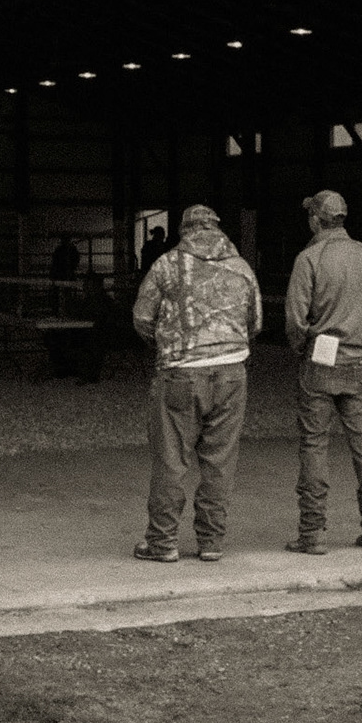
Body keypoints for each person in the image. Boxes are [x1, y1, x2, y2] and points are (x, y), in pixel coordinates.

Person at [130, 204, 261, 563]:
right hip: (232, 373)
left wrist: (167, 346)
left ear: (184, 230)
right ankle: (211, 543)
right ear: (219, 229)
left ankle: (163, 543)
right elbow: (257, 322)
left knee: (172, 460)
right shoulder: (241, 268)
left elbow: (142, 317)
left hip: (180, 372)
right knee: (219, 461)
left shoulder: (168, 264)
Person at [283, 189, 362, 554]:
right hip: (359, 363)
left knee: (315, 444)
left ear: (316, 219)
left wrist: (303, 350)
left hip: (320, 362)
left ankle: (312, 534)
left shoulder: (309, 258)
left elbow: (296, 320)